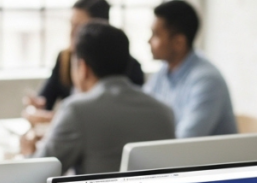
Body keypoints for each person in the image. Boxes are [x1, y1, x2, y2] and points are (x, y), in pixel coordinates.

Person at [22, 22, 174, 175]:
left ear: (83, 68)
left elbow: (37, 177)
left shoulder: (77, 110)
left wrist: (28, 152)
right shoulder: (165, 111)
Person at [26, 0, 145, 119]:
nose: (72, 32)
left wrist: (63, 119)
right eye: (71, 25)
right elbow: (45, 101)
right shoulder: (65, 59)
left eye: (79, 26)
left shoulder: (126, 65)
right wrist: (37, 108)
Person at [145, 0, 236, 138]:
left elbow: (185, 141)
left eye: (156, 35)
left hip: (209, 158)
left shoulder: (207, 81)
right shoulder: (164, 70)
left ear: (178, 42)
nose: (149, 41)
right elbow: (143, 113)